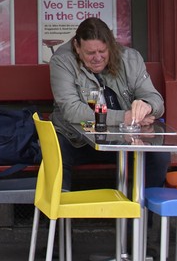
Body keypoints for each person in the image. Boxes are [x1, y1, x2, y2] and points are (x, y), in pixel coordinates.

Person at [48, 16, 169, 192]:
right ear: (77, 46)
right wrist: (125, 117)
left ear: (110, 45)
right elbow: (72, 110)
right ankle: (57, 216)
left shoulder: (131, 59)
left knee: (159, 156)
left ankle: (141, 216)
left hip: (123, 140)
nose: (97, 58)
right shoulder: (62, 61)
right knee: (55, 154)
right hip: (77, 140)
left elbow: (155, 99)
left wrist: (147, 105)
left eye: (102, 51)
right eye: (90, 53)